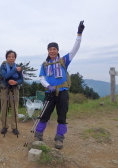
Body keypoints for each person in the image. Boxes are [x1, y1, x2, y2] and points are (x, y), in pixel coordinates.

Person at [34, 21, 85, 149]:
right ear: (47, 51)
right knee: (44, 114)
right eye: (50, 49)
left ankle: (59, 138)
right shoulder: (45, 64)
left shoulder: (64, 60)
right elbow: (41, 77)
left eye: (54, 49)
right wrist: (47, 86)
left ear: (57, 50)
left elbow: (75, 49)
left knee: (62, 116)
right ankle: (38, 135)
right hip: (49, 92)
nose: (52, 51)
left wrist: (79, 34)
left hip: (62, 92)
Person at [0, 50, 23, 135]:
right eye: (9, 57)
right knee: (4, 107)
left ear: (15, 58)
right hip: (5, 89)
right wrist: (15, 70)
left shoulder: (18, 68)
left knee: (14, 108)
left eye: (13, 57)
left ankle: (15, 127)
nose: (11, 58)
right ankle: (4, 126)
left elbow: (21, 79)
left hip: (15, 89)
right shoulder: (3, 66)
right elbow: (5, 76)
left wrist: (16, 82)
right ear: (6, 58)